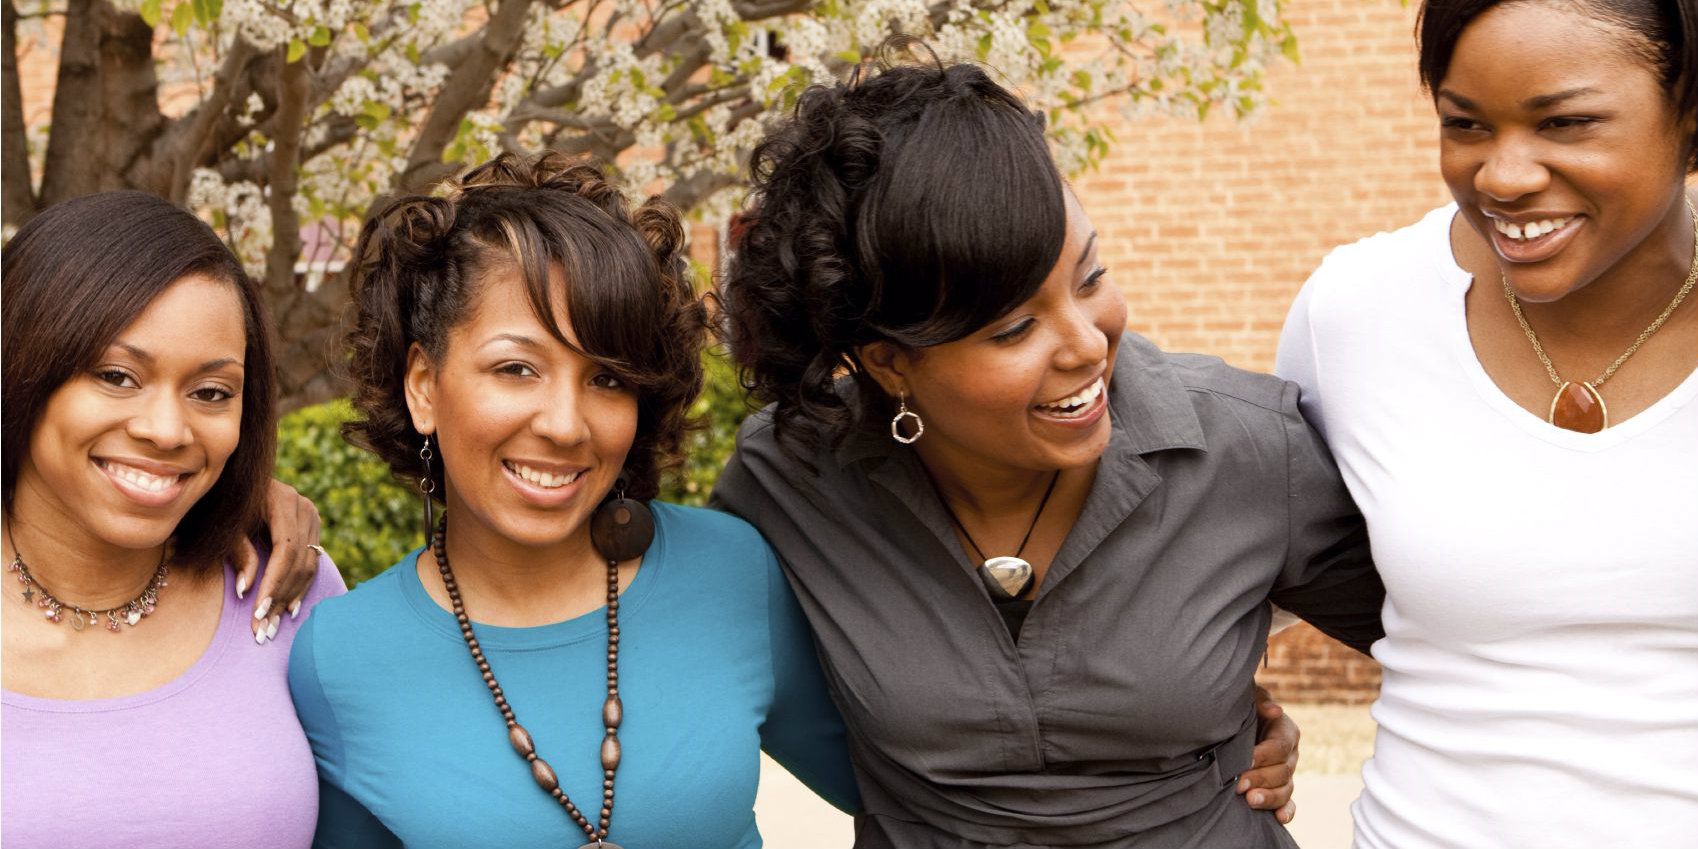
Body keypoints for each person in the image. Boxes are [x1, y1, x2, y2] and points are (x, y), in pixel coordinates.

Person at [712, 49, 1385, 848]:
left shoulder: (1245, 445)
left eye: (1090, 276)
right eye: (1015, 328)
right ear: (891, 362)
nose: (1085, 345)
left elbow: (1479, 641)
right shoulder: (787, 480)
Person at [289, 151, 858, 849]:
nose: (565, 422)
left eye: (608, 378)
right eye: (516, 368)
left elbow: (922, 793)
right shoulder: (340, 656)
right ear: (424, 386)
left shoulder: (732, 570)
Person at [1277, 0, 1698, 846]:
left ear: (1690, 115)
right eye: (1464, 124)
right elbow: (1247, 563)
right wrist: (1212, 718)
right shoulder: (1359, 311)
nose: (1502, 177)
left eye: (1566, 122)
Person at [0, 191, 345, 849]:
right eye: (117, 376)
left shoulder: (289, 593)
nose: (166, 429)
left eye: (211, 392)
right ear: (23, 366)